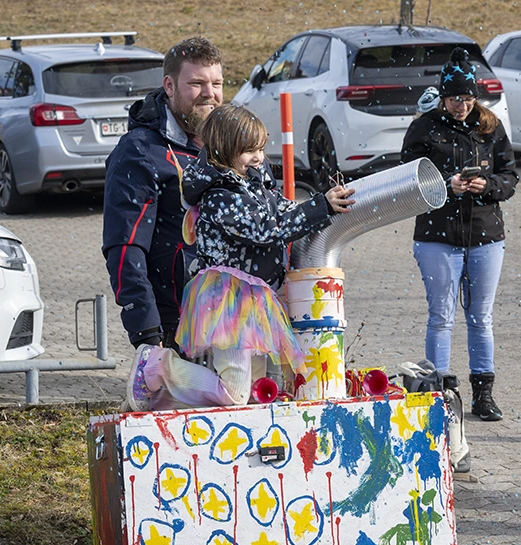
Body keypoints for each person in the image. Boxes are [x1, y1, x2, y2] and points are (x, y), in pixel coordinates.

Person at [125, 105, 355, 413]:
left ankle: (164, 403)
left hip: (255, 297)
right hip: (228, 299)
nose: (259, 157)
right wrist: (319, 209)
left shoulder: (252, 182)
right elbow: (264, 229)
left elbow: (281, 209)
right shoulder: (220, 194)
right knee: (235, 393)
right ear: (224, 149)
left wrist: (320, 204)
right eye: (249, 151)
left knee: (249, 394)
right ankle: (156, 365)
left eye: (260, 148)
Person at [400, 48, 519, 421]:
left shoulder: (490, 126)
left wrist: (487, 185)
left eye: (468, 99)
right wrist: (445, 186)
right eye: (454, 99)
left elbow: (510, 177)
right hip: (437, 235)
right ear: (443, 96)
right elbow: (406, 180)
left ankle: (483, 394)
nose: (461, 106)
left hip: (485, 233)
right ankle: (438, 393)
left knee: (481, 317)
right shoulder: (424, 127)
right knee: (441, 316)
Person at [103, 36, 223, 351]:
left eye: (217, 83)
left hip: (233, 321)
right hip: (175, 328)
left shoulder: (230, 146)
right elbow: (125, 247)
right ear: (169, 86)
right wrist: (146, 333)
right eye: (196, 83)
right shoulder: (141, 151)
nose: (210, 94)